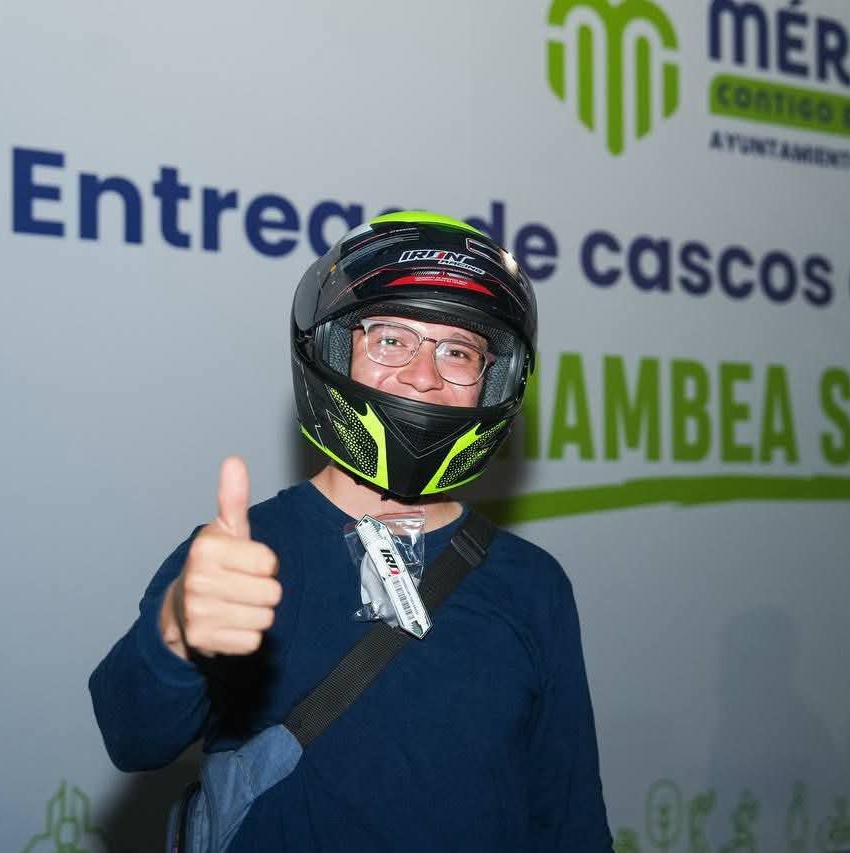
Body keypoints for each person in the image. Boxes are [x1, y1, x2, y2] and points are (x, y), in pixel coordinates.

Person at [89, 211, 613, 851]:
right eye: (391, 339)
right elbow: (132, 737)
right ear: (334, 348)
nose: (424, 375)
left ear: (493, 380)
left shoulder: (532, 584)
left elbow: (570, 821)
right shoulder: (241, 559)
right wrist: (175, 633)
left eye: (458, 351)